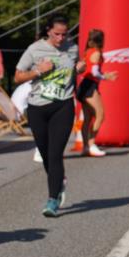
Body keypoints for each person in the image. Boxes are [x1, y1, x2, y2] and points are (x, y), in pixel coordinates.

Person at [15, 15, 85, 217]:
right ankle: (59, 180)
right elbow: (18, 76)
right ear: (48, 31)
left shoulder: (72, 48)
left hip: (62, 106)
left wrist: (81, 68)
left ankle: (52, 200)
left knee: (55, 154)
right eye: (57, 34)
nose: (61, 38)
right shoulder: (35, 49)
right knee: (45, 154)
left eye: (65, 34)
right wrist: (38, 70)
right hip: (37, 108)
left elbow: (79, 65)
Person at [75, 28, 116, 157]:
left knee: (88, 118)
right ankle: (92, 144)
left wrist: (104, 75)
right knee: (100, 115)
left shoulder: (88, 51)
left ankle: (86, 147)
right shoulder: (97, 53)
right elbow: (94, 72)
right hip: (90, 86)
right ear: (101, 40)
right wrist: (106, 77)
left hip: (84, 86)